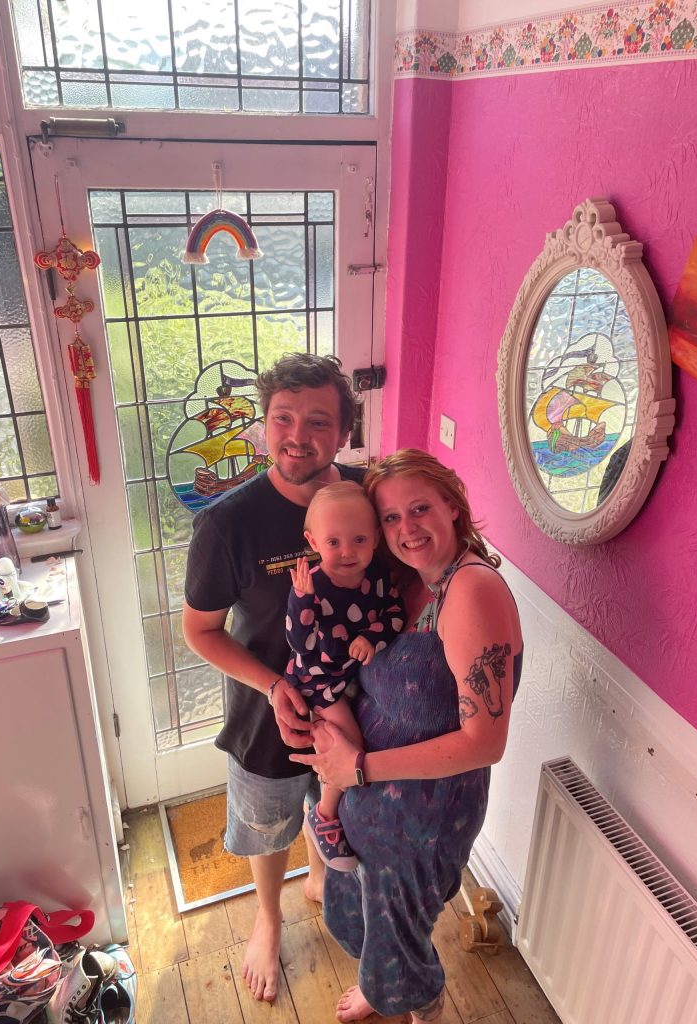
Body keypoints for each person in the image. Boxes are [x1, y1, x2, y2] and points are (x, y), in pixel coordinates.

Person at [289, 449, 523, 1024]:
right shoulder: (397, 581)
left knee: (402, 947)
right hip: (366, 805)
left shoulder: (470, 592)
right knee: (373, 924)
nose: (405, 528)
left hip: (422, 816)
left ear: (453, 507)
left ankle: (426, 1008)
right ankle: (380, 987)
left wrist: (358, 770)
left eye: (419, 509)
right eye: (389, 518)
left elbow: (485, 742)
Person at [182, 352, 363, 1004]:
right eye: (282, 418)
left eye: (318, 421)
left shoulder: (370, 496)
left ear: (344, 430)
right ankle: (267, 914)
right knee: (266, 823)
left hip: (357, 710)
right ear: (263, 425)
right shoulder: (227, 524)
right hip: (268, 717)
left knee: (333, 803)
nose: (297, 435)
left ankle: (319, 879)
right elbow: (200, 630)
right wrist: (270, 685)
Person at [285, 481, 404, 871]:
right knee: (346, 745)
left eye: (358, 540)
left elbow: (394, 616)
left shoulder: (380, 577)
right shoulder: (312, 586)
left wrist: (373, 636)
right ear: (313, 541)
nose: (347, 552)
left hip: (350, 676)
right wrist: (302, 600)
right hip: (317, 682)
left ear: (375, 540)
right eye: (333, 542)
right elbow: (299, 644)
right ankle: (324, 814)